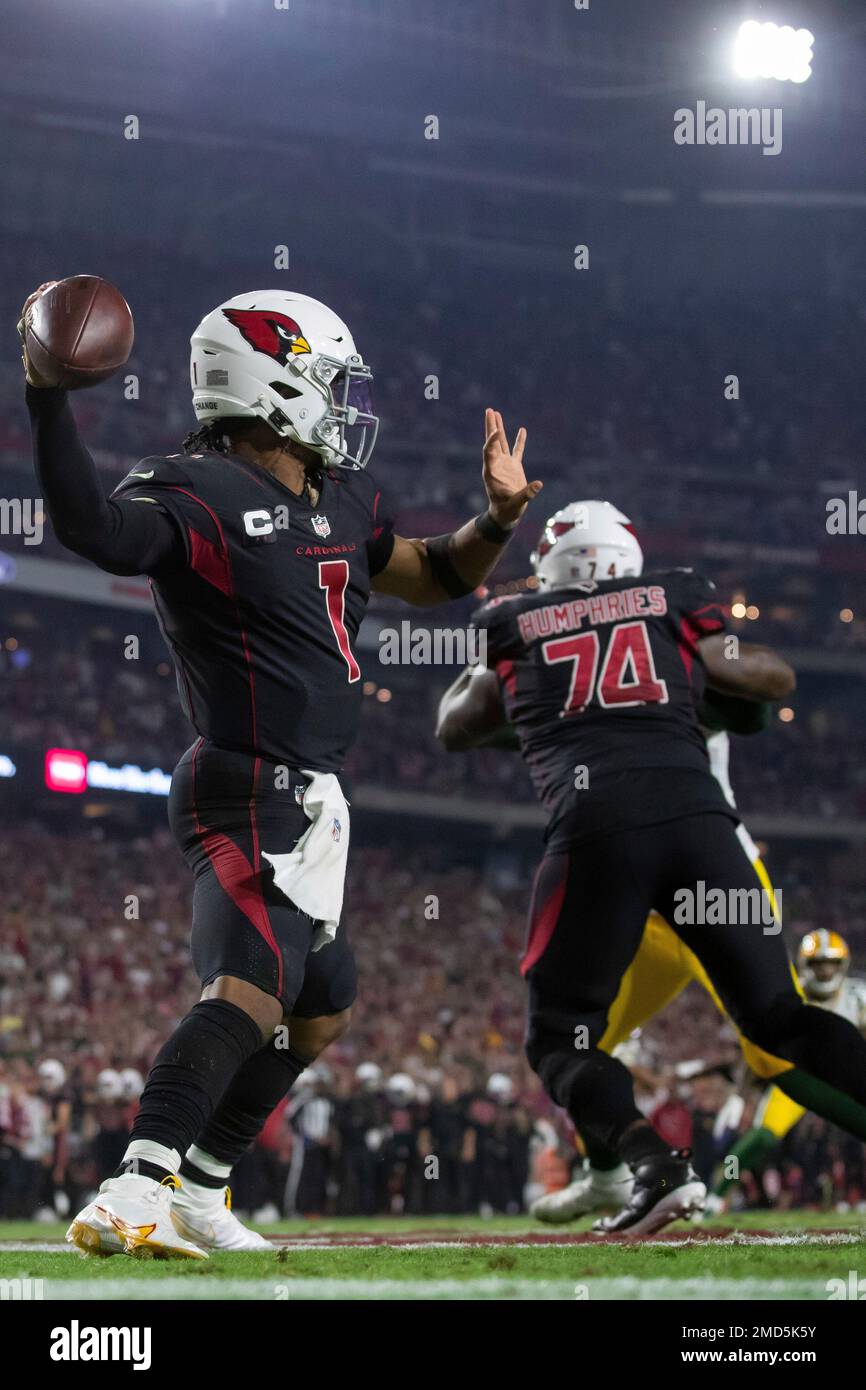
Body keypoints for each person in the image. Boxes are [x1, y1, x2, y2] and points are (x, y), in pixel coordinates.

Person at [21, 282, 541, 1258]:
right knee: (251, 987)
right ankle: (135, 1185)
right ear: (275, 383)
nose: (343, 406)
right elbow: (96, 532)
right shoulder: (192, 488)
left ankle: (202, 1188)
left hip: (314, 796)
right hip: (243, 782)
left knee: (323, 1002)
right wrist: (48, 400)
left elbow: (430, 576)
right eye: (327, 383)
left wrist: (497, 520)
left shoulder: (339, 495)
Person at [436, 498, 866, 1234]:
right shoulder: (672, 598)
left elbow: (455, 727)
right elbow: (769, 682)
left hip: (599, 833)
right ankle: (617, 1174)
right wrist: (706, 677)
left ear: (549, 563)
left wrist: (534, 676)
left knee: (562, 1034)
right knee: (779, 1019)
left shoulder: (512, 623)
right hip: (702, 826)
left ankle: (652, 1165)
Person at [710, 930, 866, 1210]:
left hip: (846, 1080)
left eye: (830, 963)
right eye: (818, 964)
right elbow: (758, 1047)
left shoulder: (858, 997)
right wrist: (739, 1095)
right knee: (761, 1137)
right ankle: (717, 1195)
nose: (825, 970)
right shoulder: (789, 996)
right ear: (806, 965)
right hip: (800, 1080)